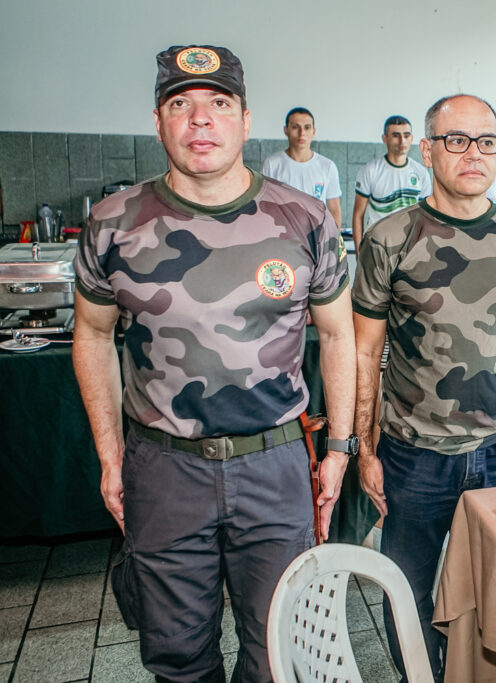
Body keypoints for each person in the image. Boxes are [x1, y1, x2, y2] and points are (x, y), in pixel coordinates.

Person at [72, 45, 357, 682]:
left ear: (246, 120)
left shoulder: (304, 219)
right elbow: (91, 336)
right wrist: (111, 454)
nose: (201, 120)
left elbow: (338, 337)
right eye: (182, 104)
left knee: (280, 651)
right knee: (176, 656)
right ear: (158, 121)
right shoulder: (113, 223)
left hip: (275, 466)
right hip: (165, 469)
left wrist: (339, 447)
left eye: (218, 104)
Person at [351, 94, 496, 681]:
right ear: (427, 150)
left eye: (487, 141)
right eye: (457, 140)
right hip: (415, 455)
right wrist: (365, 449)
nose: (474, 153)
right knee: (407, 589)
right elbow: (364, 352)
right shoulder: (390, 238)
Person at [352, 115, 432, 250]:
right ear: (385, 138)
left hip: (409, 247)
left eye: (406, 135)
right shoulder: (370, 170)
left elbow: (427, 216)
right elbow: (358, 214)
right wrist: (360, 252)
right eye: (396, 135)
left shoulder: (421, 172)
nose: (402, 140)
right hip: (377, 246)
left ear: (412, 138)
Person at [262, 106, 344, 229]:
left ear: (314, 131)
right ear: (286, 130)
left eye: (307, 127)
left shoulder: (327, 166)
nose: (302, 133)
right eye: (295, 127)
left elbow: (334, 209)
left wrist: (333, 240)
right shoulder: (272, 164)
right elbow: (265, 206)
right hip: (283, 236)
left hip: (316, 237)